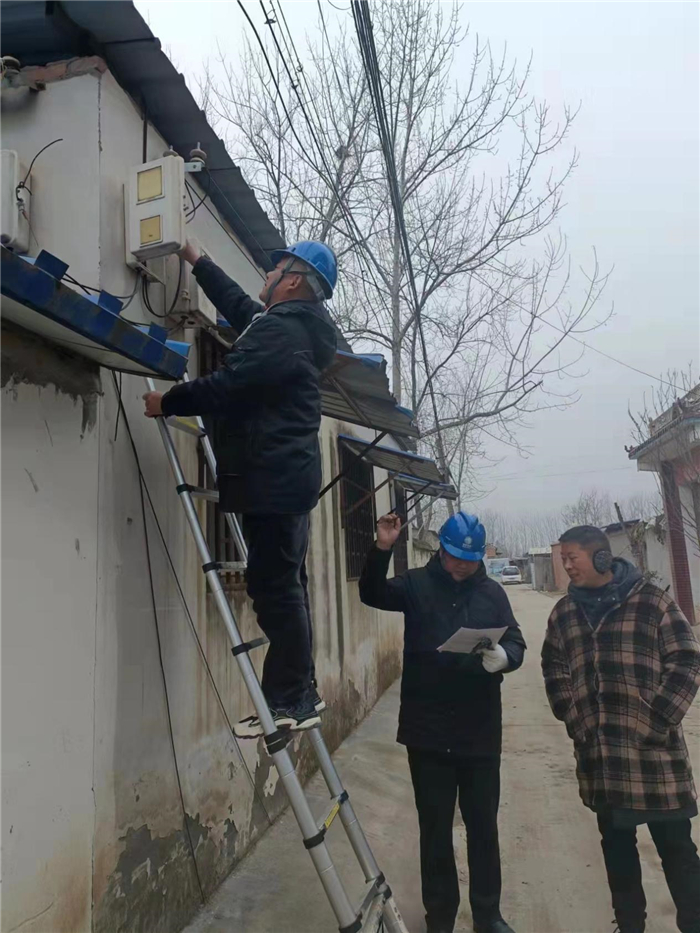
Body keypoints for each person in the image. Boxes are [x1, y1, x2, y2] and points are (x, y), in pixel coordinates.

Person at [143, 239, 338, 736]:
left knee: (275, 590)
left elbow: (228, 386)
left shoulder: (280, 333)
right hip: (286, 478)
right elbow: (238, 306)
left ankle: (291, 699)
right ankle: (301, 690)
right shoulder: (289, 328)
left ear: (292, 280)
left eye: (275, 268)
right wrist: (197, 259)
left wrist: (167, 402)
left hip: (272, 478)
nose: (266, 274)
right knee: (287, 587)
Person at [359, 511, 526, 933]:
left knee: (483, 826)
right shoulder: (416, 584)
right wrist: (382, 548)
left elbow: (516, 640)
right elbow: (372, 592)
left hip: (479, 731)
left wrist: (505, 657)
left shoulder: (492, 593)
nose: (461, 566)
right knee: (434, 829)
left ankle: (488, 914)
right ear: (441, 550)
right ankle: (441, 916)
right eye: (454, 557)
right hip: (428, 730)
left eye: (469, 560)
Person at [541, 525, 700, 933]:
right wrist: (573, 716)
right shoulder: (565, 613)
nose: (566, 565)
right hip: (601, 759)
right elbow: (553, 665)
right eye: (563, 558)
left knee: (678, 850)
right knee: (617, 850)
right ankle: (630, 925)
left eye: (572, 557)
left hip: (654, 757)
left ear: (601, 557)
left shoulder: (651, 602)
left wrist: (657, 719)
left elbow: (686, 660)